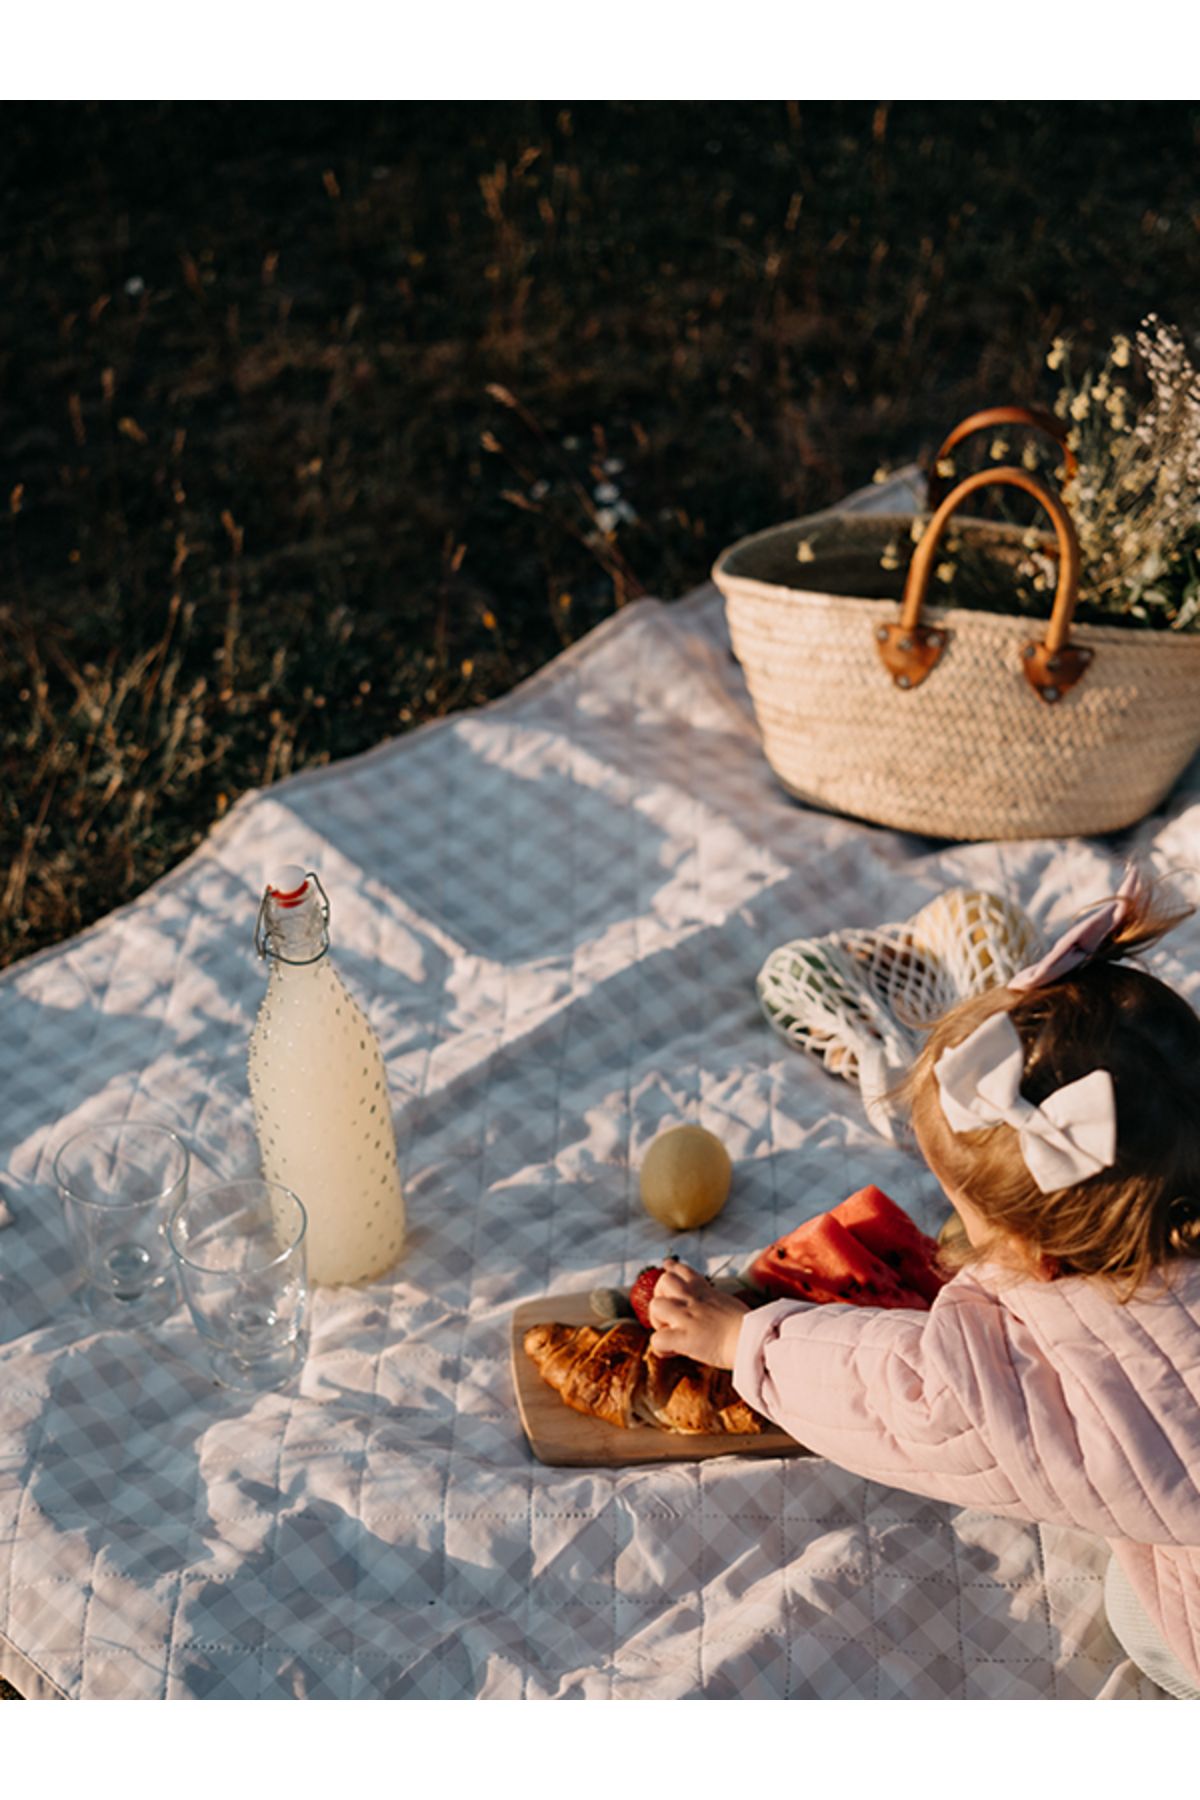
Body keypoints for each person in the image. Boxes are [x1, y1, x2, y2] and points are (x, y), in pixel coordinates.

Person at [649, 865, 1200, 1699]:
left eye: (970, 1217)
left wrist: (743, 1339)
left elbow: (905, 1395)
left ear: (1041, 1256)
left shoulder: (1057, 1371)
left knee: (1141, 1605)